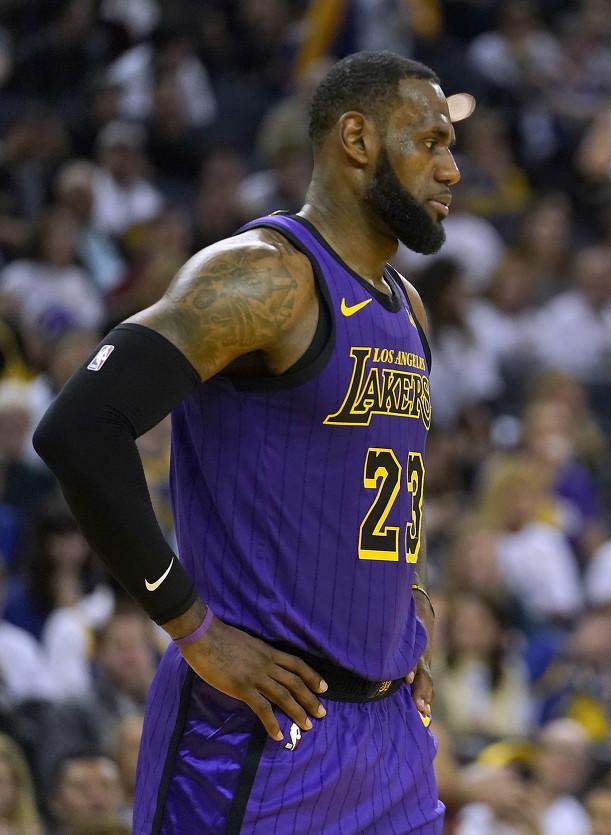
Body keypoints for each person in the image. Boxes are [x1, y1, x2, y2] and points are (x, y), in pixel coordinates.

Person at [34, 51, 474, 833]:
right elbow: (79, 427)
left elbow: (388, 479)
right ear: (357, 139)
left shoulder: (408, 306)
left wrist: (413, 598)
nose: (450, 169)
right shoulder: (265, 276)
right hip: (260, 728)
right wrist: (192, 627)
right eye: (431, 141)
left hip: (391, 738)